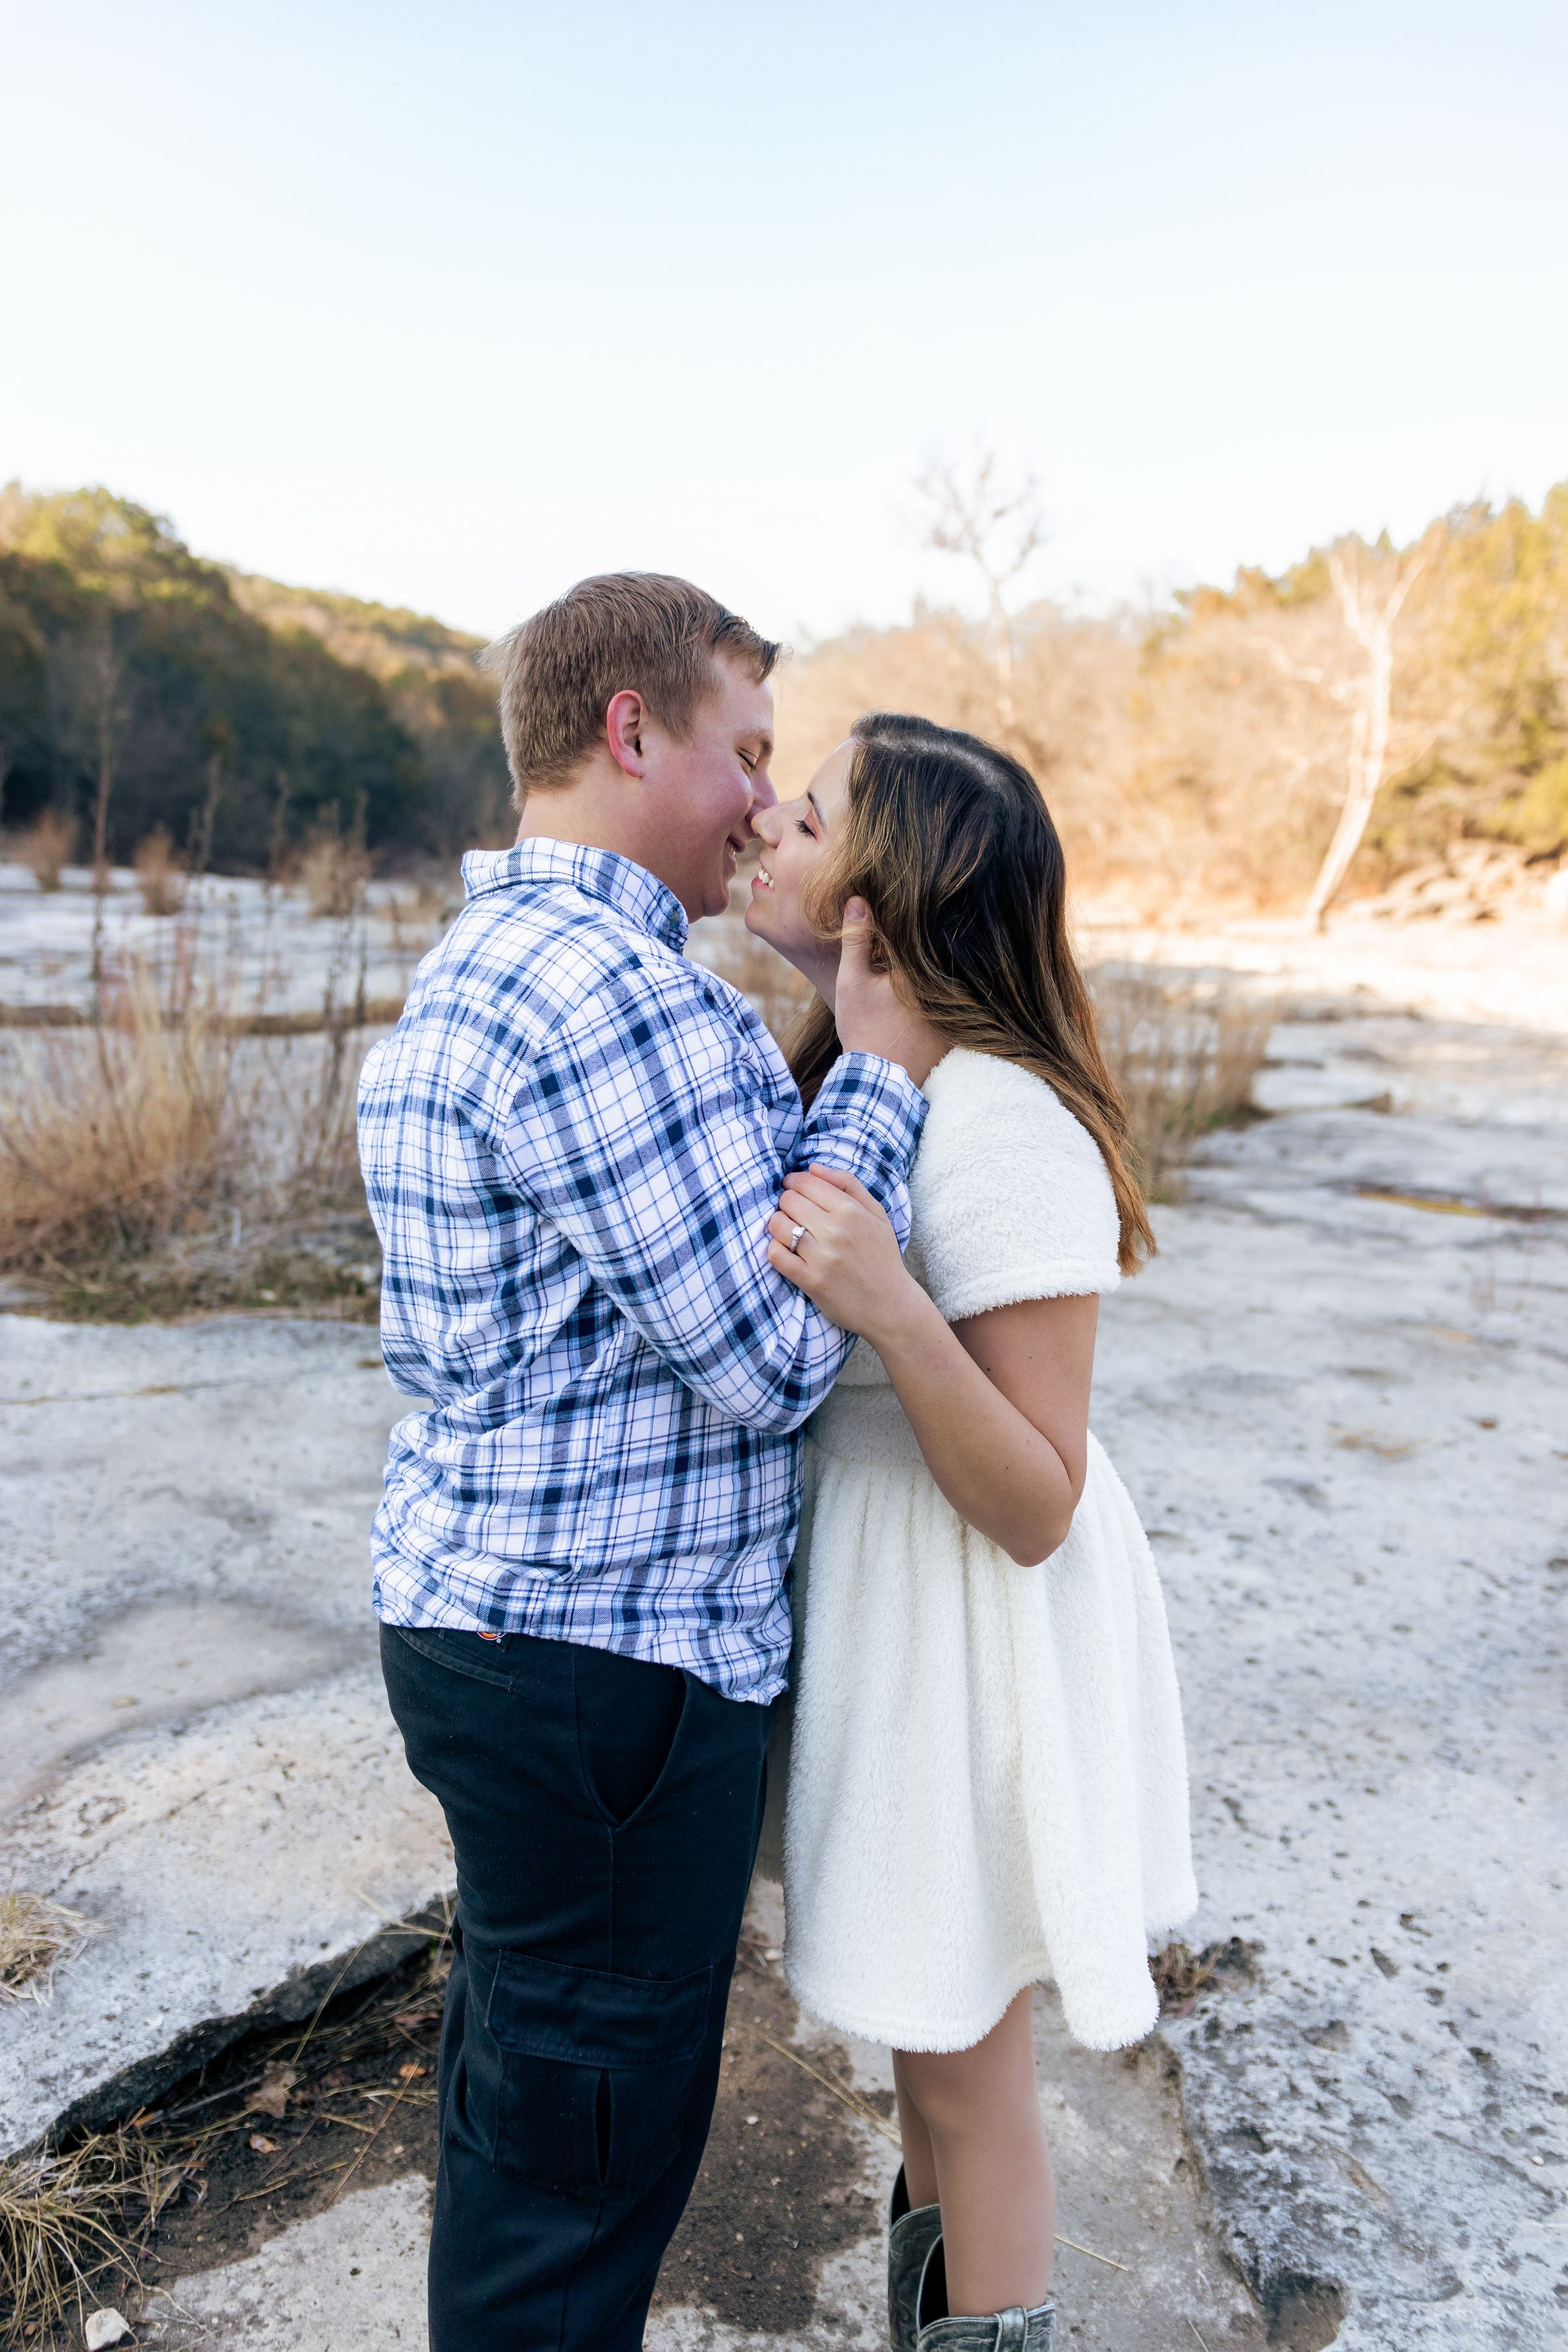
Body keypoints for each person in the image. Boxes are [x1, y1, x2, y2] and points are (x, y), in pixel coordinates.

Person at [357, 578, 936, 2352]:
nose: (765, 804)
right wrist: (882, 1073)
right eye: (746, 753)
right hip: (603, 1669)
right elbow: (772, 1359)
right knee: (581, 2176)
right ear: (629, 730)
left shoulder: (497, 965)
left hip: (507, 1640)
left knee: (531, 2107)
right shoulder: (610, 994)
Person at [746, 712, 1197, 2352]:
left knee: (967, 2064)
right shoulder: (868, 1079)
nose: (768, 828)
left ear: (889, 895)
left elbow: (1037, 1498)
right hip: (898, 1611)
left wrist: (890, 1306)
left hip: (974, 1628)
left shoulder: (1001, 1119)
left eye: (810, 818)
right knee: (922, 2045)